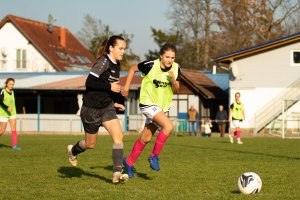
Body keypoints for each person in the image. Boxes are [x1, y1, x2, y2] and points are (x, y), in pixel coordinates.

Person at [67, 35, 129, 184]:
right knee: (90, 145)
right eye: (120, 48)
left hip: (107, 107)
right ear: (111, 48)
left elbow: (112, 88)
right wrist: (109, 87)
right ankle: (73, 150)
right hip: (90, 109)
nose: (123, 51)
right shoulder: (103, 62)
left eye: (124, 49)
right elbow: (90, 82)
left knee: (118, 138)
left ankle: (117, 173)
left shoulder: (117, 65)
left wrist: (117, 101)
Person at [121, 43, 180, 178]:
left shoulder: (176, 69)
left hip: (161, 107)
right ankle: (154, 156)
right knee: (168, 126)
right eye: (167, 57)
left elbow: (177, 89)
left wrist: (173, 80)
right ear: (161, 56)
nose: (170, 60)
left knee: (146, 138)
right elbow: (132, 69)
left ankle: (129, 162)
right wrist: (127, 87)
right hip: (147, 103)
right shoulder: (150, 65)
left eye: (172, 57)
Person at [0, 78, 21, 150]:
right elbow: (0, 102)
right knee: (2, 131)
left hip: (12, 113)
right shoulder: (3, 91)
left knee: (14, 129)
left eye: (12, 84)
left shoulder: (13, 92)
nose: (11, 86)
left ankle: (14, 146)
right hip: (3, 113)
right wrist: (6, 107)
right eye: (10, 84)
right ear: (6, 84)